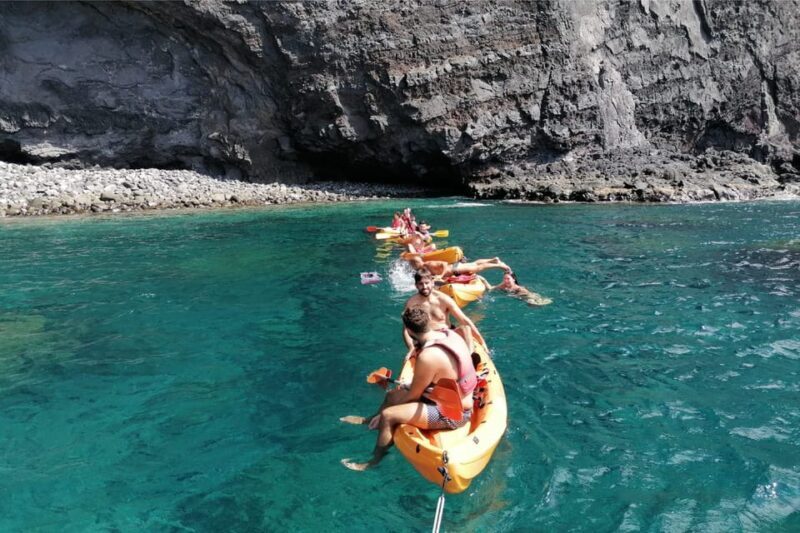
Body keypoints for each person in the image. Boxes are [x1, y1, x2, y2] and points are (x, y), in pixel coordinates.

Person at [340, 307, 477, 471]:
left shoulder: (428, 356)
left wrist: (389, 414)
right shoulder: (450, 334)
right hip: (453, 398)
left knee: (388, 415)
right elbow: (465, 331)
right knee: (391, 395)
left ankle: (373, 462)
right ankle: (368, 421)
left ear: (409, 331)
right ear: (428, 322)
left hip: (454, 414)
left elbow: (413, 396)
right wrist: (396, 397)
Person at [401, 269, 484, 351]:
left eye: (427, 283)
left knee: (465, 329)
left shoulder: (443, 299)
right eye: (420, 284)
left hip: (447, 334)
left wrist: (482, 342)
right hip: (426, 339)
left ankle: (471, 354)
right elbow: (406, 329)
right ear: (416, 285)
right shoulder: (412, 303)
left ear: (432, 282)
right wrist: (411, 348)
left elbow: (464, 320)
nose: (424, 287)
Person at [406, 254, 510, 281]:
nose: (413, 267)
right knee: (474, 263)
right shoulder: (424, 268)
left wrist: (440, 276)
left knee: (477, 267)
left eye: (413, 265)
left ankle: (499, 265)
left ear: (416, 263)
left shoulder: (428, 264)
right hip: (455, 268)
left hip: (455, 269)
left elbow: (444, 264)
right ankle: (493, 259)